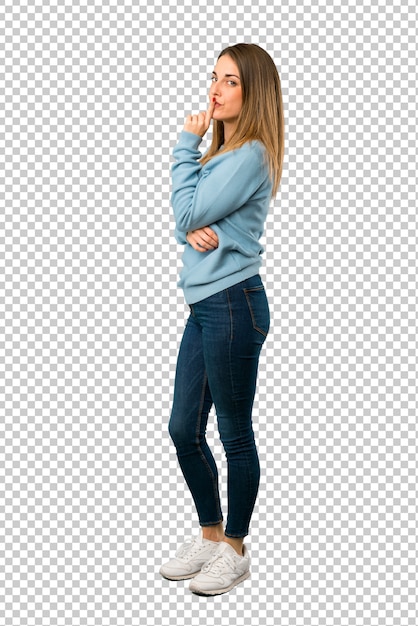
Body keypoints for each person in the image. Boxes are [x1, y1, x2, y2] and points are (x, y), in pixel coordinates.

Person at [160, 43, 284, 596]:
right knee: (183, 429)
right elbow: (188, 219)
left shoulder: (251, 153)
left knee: (234, 433)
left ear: (252, 91)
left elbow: (188, 207)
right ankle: (210, 536)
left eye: (229, 80)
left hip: (235, 302)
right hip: (206, 304)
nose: (214, 88)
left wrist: (185, 145)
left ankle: (234, 548)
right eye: (214, 76)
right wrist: (188, 230)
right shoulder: (223, 155)